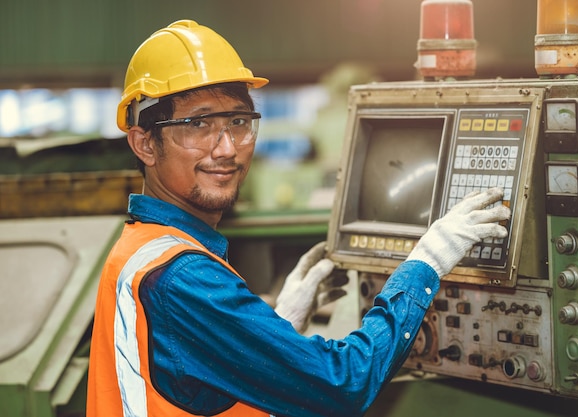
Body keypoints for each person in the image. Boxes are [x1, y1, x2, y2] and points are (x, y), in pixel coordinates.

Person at [86, 19, 511, 417]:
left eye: (238, 121)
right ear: (144, 143)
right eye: (197, 125)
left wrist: (279, 324)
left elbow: (195, 379)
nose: (227, 148)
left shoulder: (140, 249)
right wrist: (428, 262)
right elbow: (342, 384)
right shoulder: (180, 277)